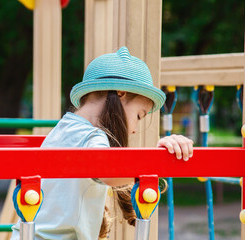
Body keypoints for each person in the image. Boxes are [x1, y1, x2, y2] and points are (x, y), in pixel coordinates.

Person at [11, 46, 193, 240]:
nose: (134, 129)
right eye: (139, 116)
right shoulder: (92, 135)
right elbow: (106, 171)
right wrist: (156, 159)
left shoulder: (65, 128)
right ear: (121, 92)